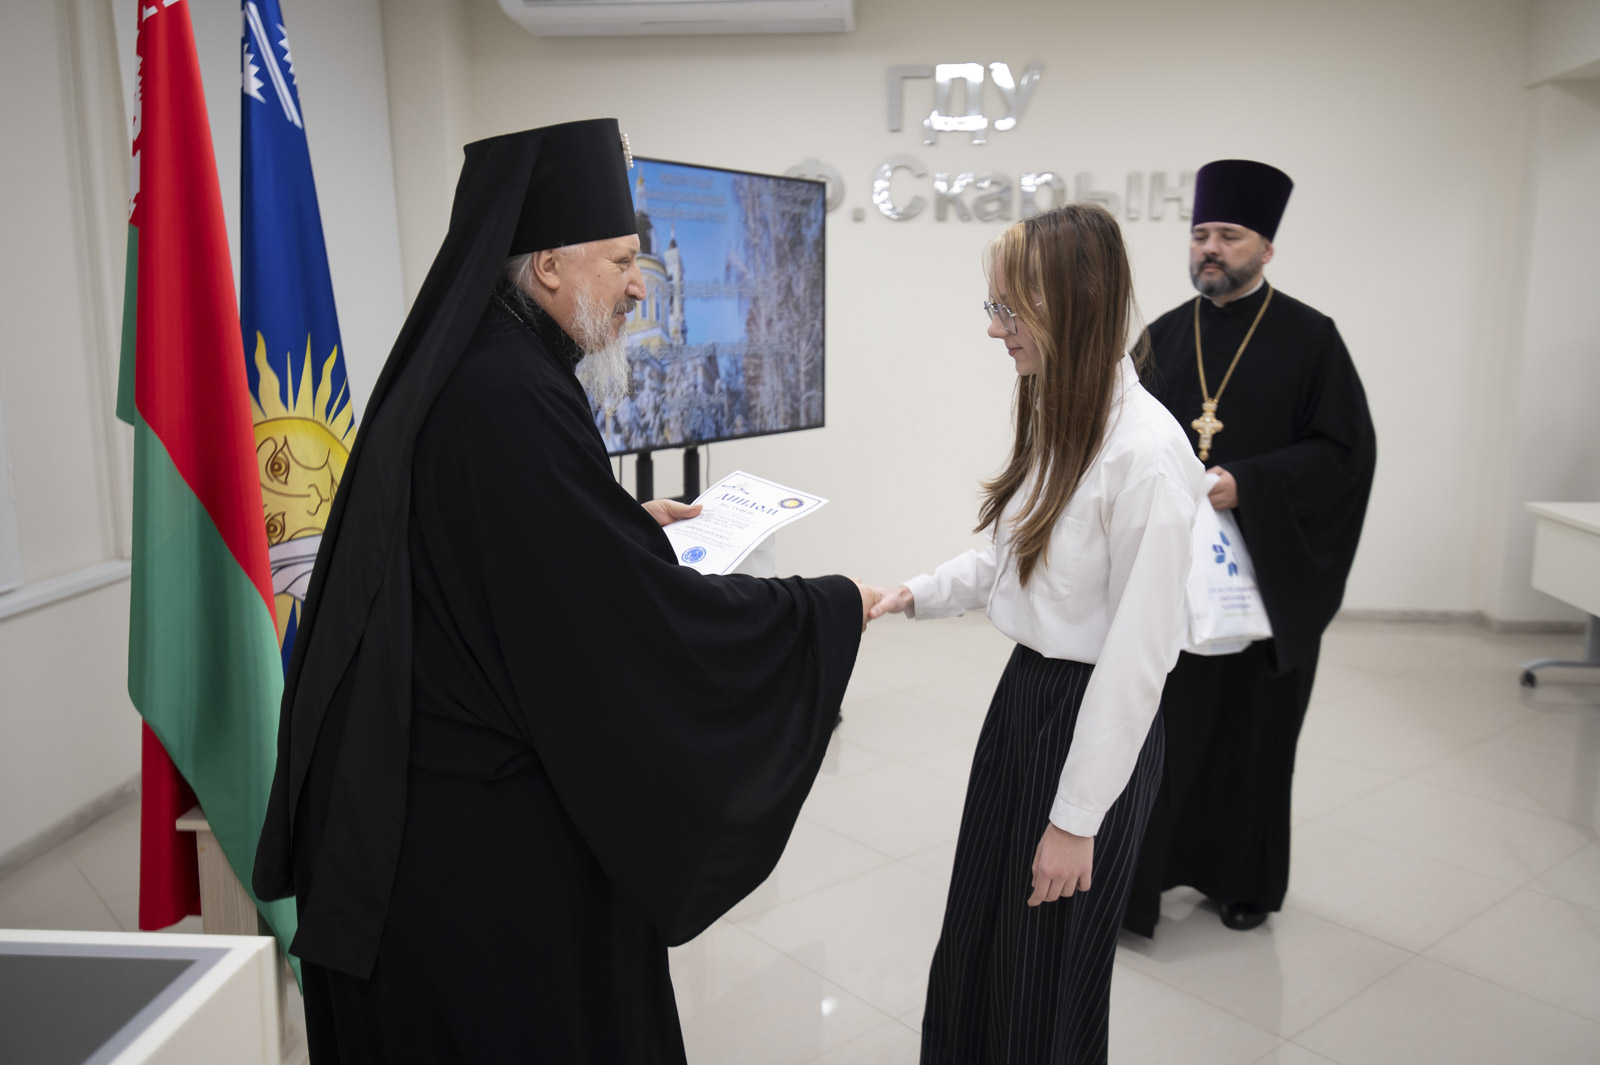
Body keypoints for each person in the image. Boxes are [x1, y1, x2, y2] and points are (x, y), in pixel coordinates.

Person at [253, 119, 877, 1064]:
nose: (641, 284)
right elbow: (621, 627)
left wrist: (622, 525)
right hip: (471, 861)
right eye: (622, 260)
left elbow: (510, 556)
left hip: (430, 803)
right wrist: (822, 609)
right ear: (547, 265)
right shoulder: (510, 391)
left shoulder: (490, 364)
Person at [868, 204, 1204, 1064]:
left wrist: (1076, 820)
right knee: (978, 940)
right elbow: (1011, 555)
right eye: (993, 306)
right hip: (1026, 701)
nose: (995, 329)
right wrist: (911, 594)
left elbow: (1137, 663)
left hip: (1088, 723)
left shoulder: (1147, 457)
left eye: (1008, 308)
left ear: (1072, 303)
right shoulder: (1063, 413)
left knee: (1043, 977)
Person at [1123, 159, 1377, 936]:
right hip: (1173, 576)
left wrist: (1250, 483)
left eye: (1228, 235)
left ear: (1266, 248)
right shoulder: (1163, 337)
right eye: (1200, 233)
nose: (1210, 248)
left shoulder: (1311, 338)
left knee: (1255, 735)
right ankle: (1142, 881)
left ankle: (1242, 882)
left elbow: (1344, 453)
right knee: (1163, 728)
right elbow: (1120, 443)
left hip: (1266, 575)